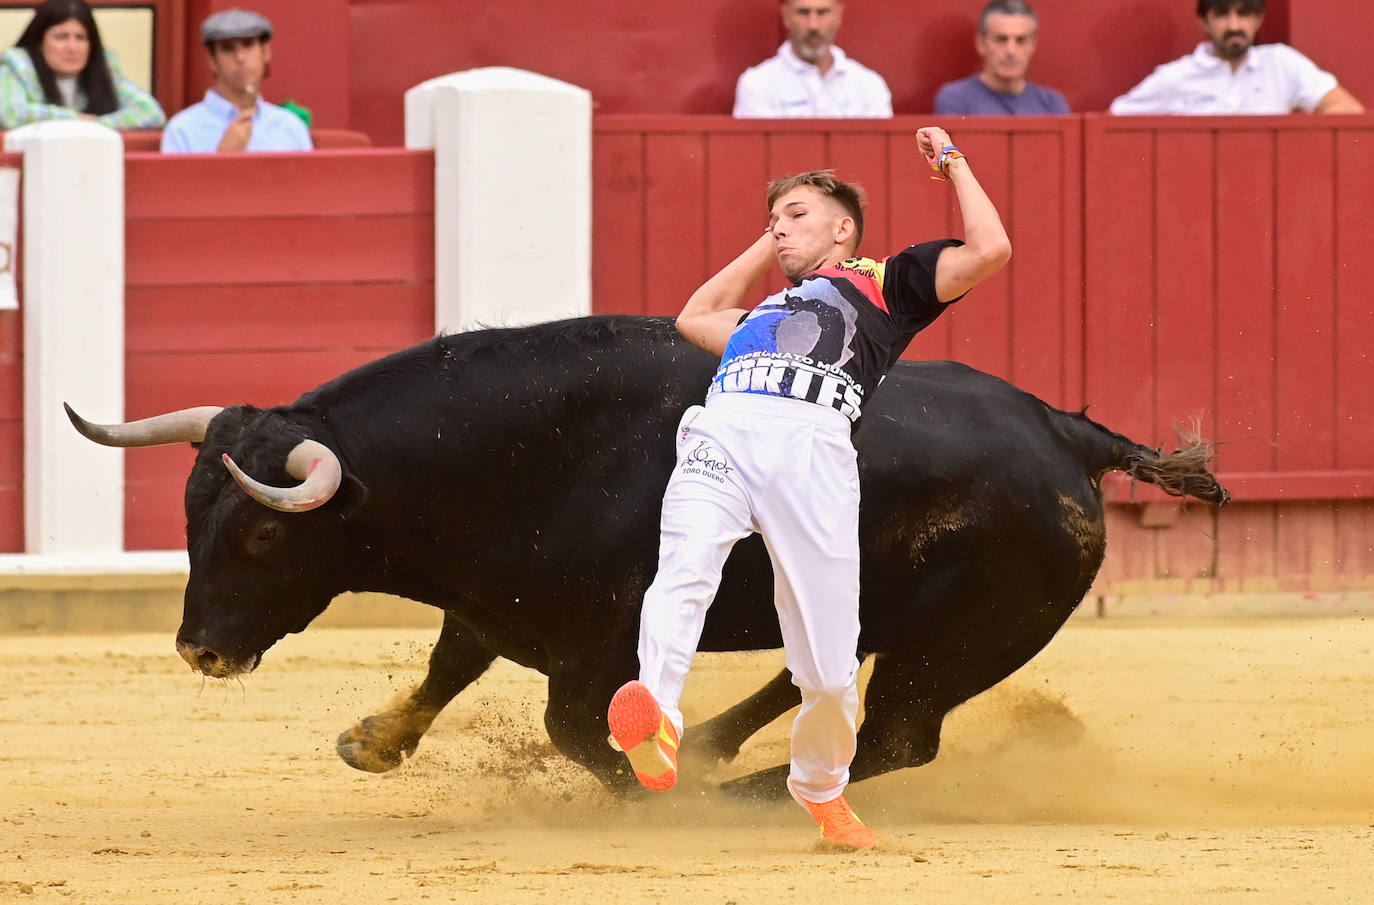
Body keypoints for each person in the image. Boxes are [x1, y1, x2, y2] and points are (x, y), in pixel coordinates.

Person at [607, 126, 1011, 849]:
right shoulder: (758, 315)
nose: (780, 228)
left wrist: (952, 162)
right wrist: (775, 242)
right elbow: (693, 316)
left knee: (827, 666)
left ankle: (823, 789)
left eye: (796, 215)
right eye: (774, 219)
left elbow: (990, 251)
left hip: (811, 449)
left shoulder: (885, 285)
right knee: (683, 572)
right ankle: (658, 717)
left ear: (843, 227)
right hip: (723, 433)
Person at [1110, 0, 1365, 115]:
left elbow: (1348, 111)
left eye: (1243, 13)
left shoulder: (1281, 64)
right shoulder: (1176, 77)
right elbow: (1115, 123)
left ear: (1258, 19)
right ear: (1204, 21)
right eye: (1222, 14)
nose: (1234, 25)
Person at [161, 8, 312, 153]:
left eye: (248, 45)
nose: (240, 57)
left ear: (265, 52)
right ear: (212, 59)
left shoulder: (291, 126)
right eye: (227, 48)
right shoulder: (182, 130)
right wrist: (223, 158)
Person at [0, 0, 164, 131]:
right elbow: (12, 114)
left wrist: (97, 125)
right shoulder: (17, 65)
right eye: (61, 37)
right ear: (39, 42)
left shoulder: (104, 67)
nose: (73, 48)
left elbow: (151, 113)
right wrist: (76, 119)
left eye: (81, 37)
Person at [733, 0, 892, 118]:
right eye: (803, 12)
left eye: (822, 12)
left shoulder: (869, 86)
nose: (813, 25)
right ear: (786, 16)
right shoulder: (757, 85)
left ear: (838, 15)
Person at [934, 0, 1069, 115]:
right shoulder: (956, 99)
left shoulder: (1052, 105)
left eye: (1021, 40)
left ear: (1032, 45)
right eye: (1001, 39)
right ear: (981, 44)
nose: (1011, 51)